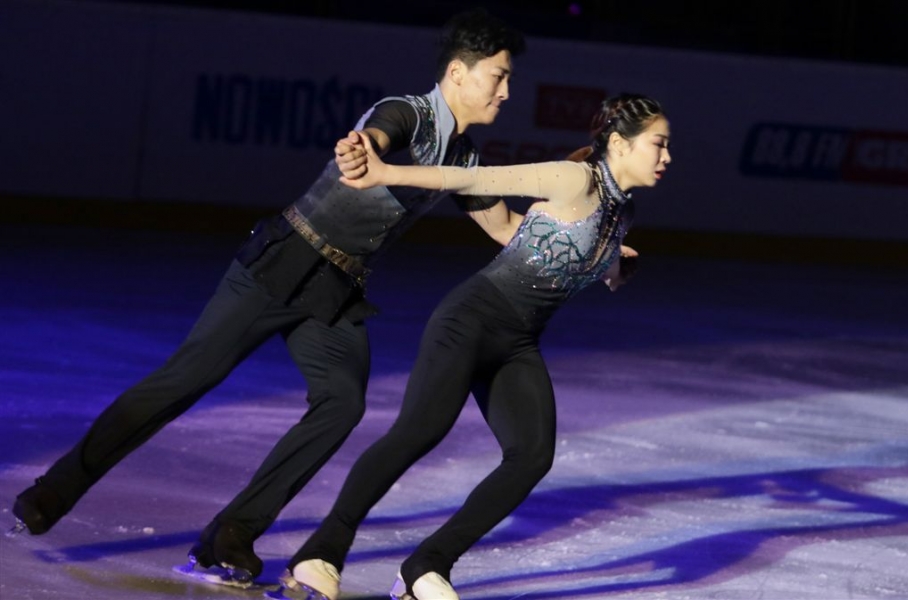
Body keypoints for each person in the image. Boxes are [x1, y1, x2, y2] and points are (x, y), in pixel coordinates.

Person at [10, 8, 525, 586]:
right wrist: (361, 150)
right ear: (458, 72)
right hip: (282, 261)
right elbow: (376, 135)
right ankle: (55, 489)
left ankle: (233, 531)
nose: (506, 91)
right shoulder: (408, 113)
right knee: (184, 380)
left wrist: (578, 218)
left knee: (342, 402)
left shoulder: (463, 159)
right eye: (498, 76)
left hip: (336, 291)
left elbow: (506, 227)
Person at [275, 93, 671, 600]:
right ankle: (320, 553)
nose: (667, 157)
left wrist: (613, 267)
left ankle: (425, 566)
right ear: (619, 143)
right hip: (470, 320)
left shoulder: (623, 211)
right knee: (418, 432)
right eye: (658, 144)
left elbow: (576, 247)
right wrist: (385, 172)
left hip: (518, 340)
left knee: (531, 456)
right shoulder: (575, 179)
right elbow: (472, 180)